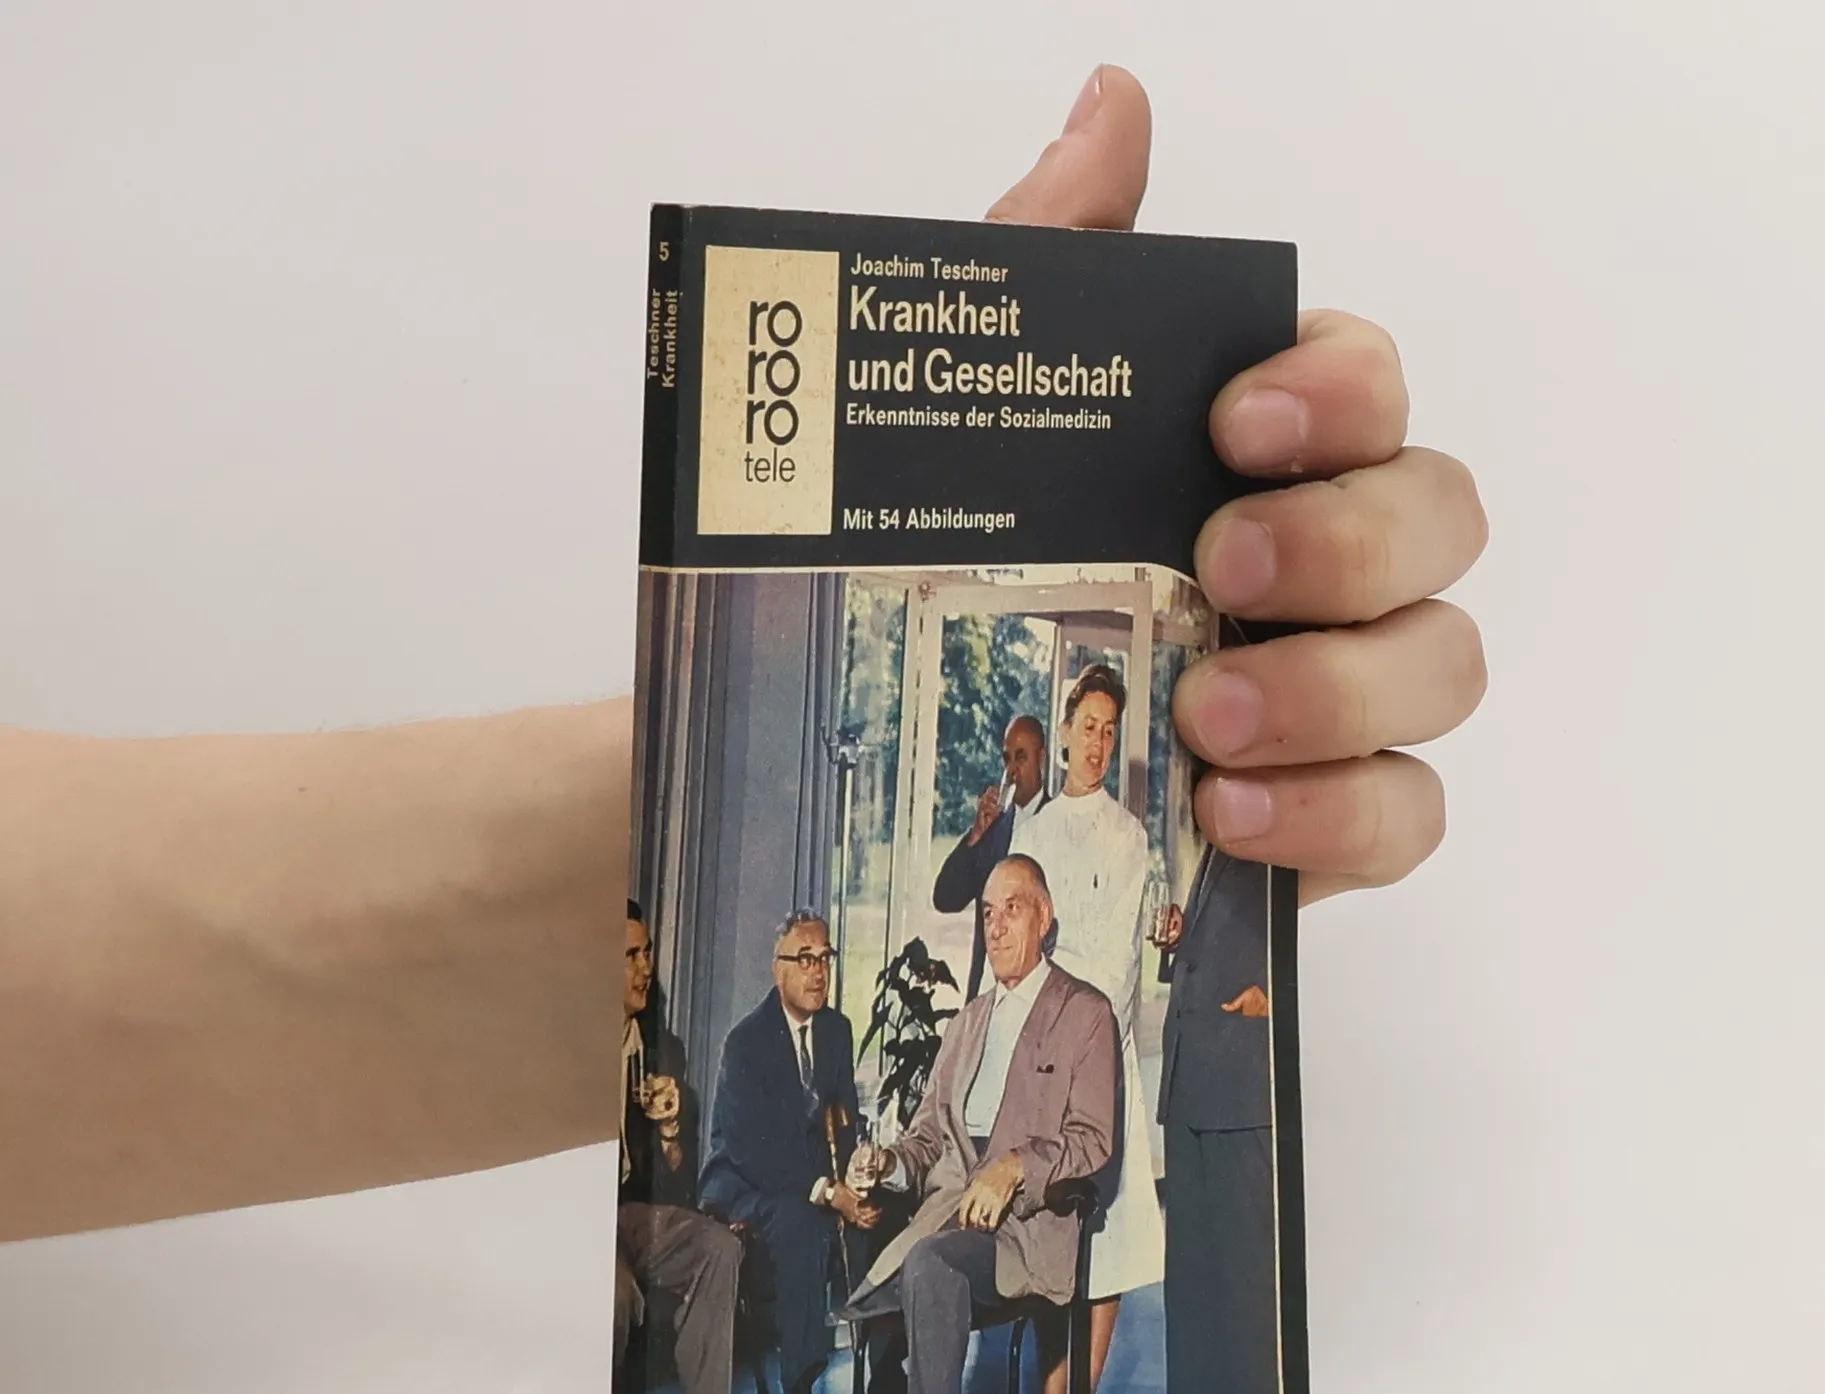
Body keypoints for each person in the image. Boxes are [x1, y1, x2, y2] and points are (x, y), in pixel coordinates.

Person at [0, 67, 1488, 1250]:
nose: (1078, 748)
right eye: (1068, 735)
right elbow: (961, 907)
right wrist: (987, 839)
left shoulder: (1121, 857)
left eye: (1091, 736)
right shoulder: (1012, 838)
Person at [847, 856, 1120, 1394]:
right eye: (987, 913)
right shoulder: (968, 1023)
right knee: (911, 1261)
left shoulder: (1084, 1013)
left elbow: (1095, 1142)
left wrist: (1017, 1168)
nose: (995, 926)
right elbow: (926, 1139)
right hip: (950, 1222)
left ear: (1045, 916)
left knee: (927, 1265)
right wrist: (887, 1164)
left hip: (1028, 1231)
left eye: (1012, 909)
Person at [1009, 662, 1158, 1394]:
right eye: (1087, 727)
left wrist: (1090, 1049)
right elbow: (1018, 947)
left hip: (1103, 1060)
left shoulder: (1128, 836)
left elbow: (1118, 963)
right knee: (1047, 1239)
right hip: (1043, 1058)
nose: (1097, 743)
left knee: (1108, 1240)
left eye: (1110, 731)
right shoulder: (1032, 835)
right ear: (1064, 730)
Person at [1129, 852, 1278, 1394]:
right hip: (1190, 1077)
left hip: (1243, 1081)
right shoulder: (1223, 839)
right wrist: (1181, 937)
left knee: (1250, 1279)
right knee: (1191, 1275)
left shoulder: (1285, 823)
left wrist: (1276, 995)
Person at [699, 912, 877, 1394]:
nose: (818, 971)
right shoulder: (746, 1042)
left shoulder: (836, 1031)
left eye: (825, 958)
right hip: (745, 1180)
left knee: (882, 1214)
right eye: (804, 959)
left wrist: (857, 1171)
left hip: (808, 1178)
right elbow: (754, 1150)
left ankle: (888, 1370)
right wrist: (827, 1192)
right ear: (777, 969)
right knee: (803, 1224)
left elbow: (843, 1120)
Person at [608, 905, 742, 1394]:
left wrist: (668, 1131)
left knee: (718, 1247)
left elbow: (678, 1186)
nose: (646, 968)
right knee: (614, 1292)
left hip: (631, 1213)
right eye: (630, 956)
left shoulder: (663, 1050)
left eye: (648, 952)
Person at [931, 713, 1050, 1001]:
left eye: (1021, 757)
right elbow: (945, 898)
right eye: (1007, 759)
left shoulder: (1058, 825)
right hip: (988, 994)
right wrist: (975, 835)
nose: (1012, 770)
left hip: (1039, 996)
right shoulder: (993, 829)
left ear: (1042, 758)